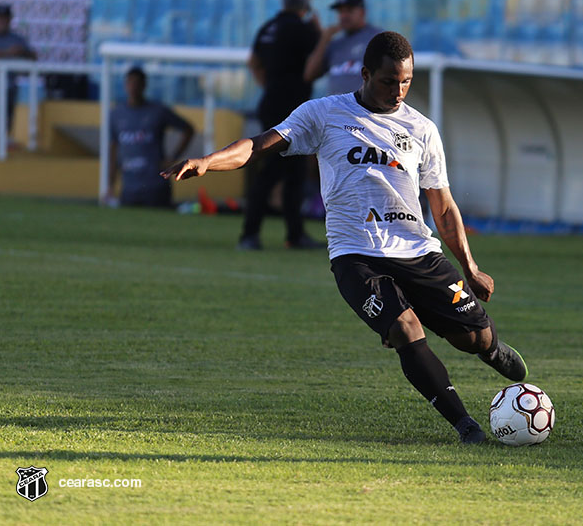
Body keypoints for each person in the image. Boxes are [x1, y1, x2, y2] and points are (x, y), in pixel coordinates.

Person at [162, 32, 528, 444]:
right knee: (405, 329)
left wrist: (470, 267)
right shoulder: (323, 113)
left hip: (417, 250)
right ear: (366, 73)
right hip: (356, 255)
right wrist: (208, 162)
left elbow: (442, 206)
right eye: (389, 81)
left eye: (406, 81)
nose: (398, 90)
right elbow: (258, 145)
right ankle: (466, 426)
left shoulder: (421, 129)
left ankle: (491, 349)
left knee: (472, 336)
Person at [240, 0, 323, 250]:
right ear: (305, 5)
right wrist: (322, 33)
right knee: (275, 171)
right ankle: (249, 235)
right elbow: (318, 60)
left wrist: (268, 85)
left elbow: (253, 61)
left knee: (293, 172)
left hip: (271, 103)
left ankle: (294, 234)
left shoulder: (269, 27)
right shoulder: (303, 30)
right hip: (291, 110)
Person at [108, 66, 194, 208]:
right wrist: (110, 184)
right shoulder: (116, 114)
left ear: (144, 86)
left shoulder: (158, 111)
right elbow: (113, 148)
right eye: (130, 83)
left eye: (137, 83)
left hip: (155, 186)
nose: (133, 87)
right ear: (125, 85)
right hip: (129, 187)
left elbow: (188, 129)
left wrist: (173, 158)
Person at [303, 0, 382, 95]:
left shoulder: (377, 37)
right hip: (335, 108)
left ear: (362, 12)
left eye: (349, 10)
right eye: (341, 11)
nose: (344, 16)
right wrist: (324, 39)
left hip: (364, 108)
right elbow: (309, 75)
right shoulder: (335, 43)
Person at [0, 4, 36, 145]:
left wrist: (22, 52)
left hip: (7, 86)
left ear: (10, 20)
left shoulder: (16, 38)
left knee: (3, 119)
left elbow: (33, 56)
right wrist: (8, 53)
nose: (2, 21)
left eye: (5, 18)